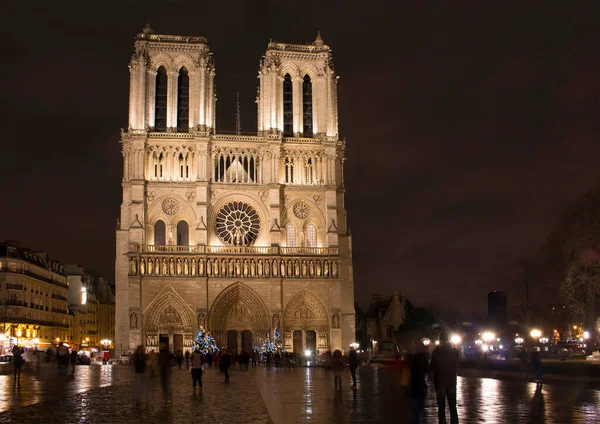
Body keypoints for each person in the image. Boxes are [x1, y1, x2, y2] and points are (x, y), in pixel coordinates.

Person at [430, 331, 460, 424]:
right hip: (451, 382)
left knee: (441, 408)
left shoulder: (436, 352)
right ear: (448, 339)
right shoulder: (455, 352)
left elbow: (432, 367)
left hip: (439, 383)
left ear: (439, 340)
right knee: (452, 407)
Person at [410, 340, 430, 424]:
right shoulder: (423, 358)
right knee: (421, 409)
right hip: (421, 386)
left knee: (416, 411)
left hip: (415, 386)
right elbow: (427, 371)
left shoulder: (414, 358)